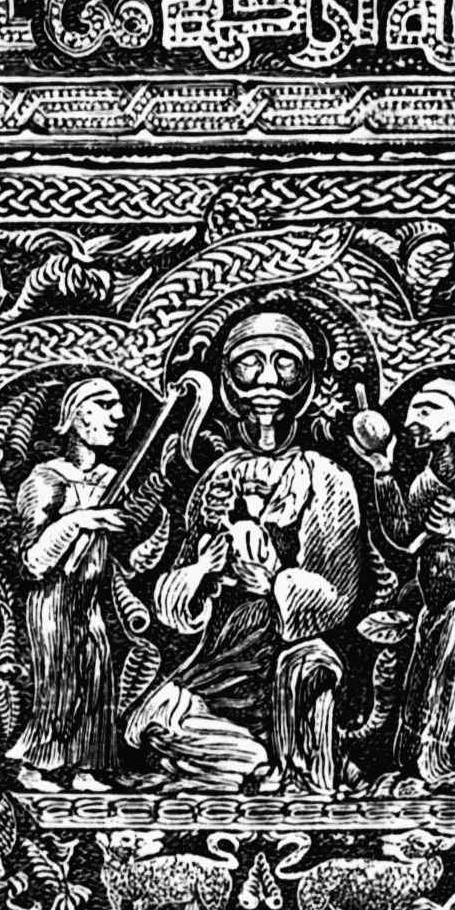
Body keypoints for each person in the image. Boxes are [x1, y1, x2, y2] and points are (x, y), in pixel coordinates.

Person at [134, 310, 364, 794]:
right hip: (219, 663)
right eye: (249, 364)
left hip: (284, 658)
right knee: (157, 720)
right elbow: (175, 602)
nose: (267, 381)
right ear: (228, 378)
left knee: (305, 676)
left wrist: (274, 581)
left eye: (285, 364)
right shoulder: (220, 475)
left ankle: (273, 764)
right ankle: (247, 764)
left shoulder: (326, 477)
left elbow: (338, 594)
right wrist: (201, 572)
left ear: (307, 380)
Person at [360, 379, 455, 790]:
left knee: (447, 681)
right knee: (421, 682)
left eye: (427, 408)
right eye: (413, 409)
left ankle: (440, 765)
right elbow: (403, 538)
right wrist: (383, 472)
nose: (414, 419)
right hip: (433, 601)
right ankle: (412, 763)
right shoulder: (423, 483)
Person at [8, 377, 137, 792]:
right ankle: (33, 765)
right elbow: (32, 560)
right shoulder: (46, 478)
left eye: (118, 405)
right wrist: (82, 520)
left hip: (90, 596)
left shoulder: (114, 479)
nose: (117, 415)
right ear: (74, 414)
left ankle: (85, 767)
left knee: (96, 674)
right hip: (53, 598)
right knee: (58, 678)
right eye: (104, 404)